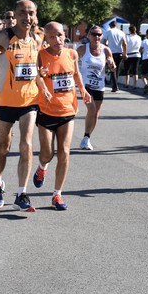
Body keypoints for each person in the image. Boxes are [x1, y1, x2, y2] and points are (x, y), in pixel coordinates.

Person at [0, 0, 41, 212]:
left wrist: (45, 83)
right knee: (3, 147)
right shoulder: (3, 37)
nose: (27, 17)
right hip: (4, 101)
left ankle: (22, 193)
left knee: (27, 145)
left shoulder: (36, 39)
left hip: (29, 101)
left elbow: (37, 70)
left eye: (31, 13)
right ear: (16, 15)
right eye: (23, 13)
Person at [33, 21, 91, 210]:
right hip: (47, 111)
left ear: (64, 34)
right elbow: (37, 76)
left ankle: (57, 195)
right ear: (46, 39)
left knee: (64, 152)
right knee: (47, 153)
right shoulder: (41, 56)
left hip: (67, 110)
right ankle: (42, 168)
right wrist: (42, 83)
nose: (57, 39)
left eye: (60, 35)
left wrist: (83, 90)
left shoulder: (71, 53)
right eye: (52, 36)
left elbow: (76, 74)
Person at [76, 25, 115, 150]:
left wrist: (111, 64)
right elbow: (71, 61)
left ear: (102, 36)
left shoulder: (106, 50)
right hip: (86, 85)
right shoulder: (83, 49)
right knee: (91, 110)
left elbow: (112, 66)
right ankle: (86, 138)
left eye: (99, 34)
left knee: (96, 114)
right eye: (94, 34)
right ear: (89, 35)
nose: (96, 37)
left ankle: (87, 137)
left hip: (99, 85)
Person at [101, 20, 127, 92]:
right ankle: (115, 84)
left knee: (112, 68)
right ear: (116, 25)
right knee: (117, 69)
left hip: (111, 53)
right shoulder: (121, 32)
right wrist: (125, 53)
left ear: (110, 26)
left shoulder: (108, 32)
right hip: (119, 53)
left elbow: (104, 41)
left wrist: (104, 48)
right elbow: (124, 43)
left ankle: (115, 85)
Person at [122, 25, 142, 89]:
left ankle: (126, 83)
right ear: (135, 30)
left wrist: (124, 54)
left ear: (129, 30)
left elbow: (124, 46)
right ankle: (134, 85)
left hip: (128, 55)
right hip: (137, 54)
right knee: (135, 70)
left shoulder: (127, 37)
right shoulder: (139, 37)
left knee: (126, 69)